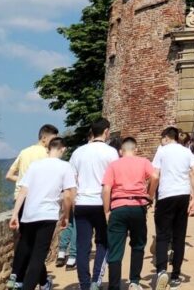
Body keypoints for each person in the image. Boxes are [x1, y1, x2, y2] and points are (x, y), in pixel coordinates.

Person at [8, 137, 77, 290]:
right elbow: (68, 196)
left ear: (48, 149)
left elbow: (23, 191)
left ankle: (26, 282)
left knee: (29, 250)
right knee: (38, 257)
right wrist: (66, 216)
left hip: (29, 214)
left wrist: (15, 214)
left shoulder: (35, 166)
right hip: (47, 215)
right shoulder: (65, 166)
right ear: (63, 149)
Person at [102, 137, 158, 290]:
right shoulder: (143, 162)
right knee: (138, 244)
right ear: (136, 149)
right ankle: (134, 281)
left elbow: (106, 189)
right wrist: (149, 196)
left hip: (118, 207)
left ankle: (114, 286)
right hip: (138, 206)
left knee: (115, 249)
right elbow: (155, 176)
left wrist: (106, 211)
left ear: (121, 151)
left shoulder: (113, 165)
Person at [69, 118, 118, 290]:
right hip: (102, 203)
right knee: (103, 242)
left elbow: (72, 182)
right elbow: (114, 181)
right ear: (106, 131)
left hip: (81, 203)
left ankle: (84, 284)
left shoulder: (78, 152)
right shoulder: (111, 153)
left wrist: (73, 205)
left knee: (82, 246)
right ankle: (96, 281)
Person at [152, 126, 194, 289]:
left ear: (166, 137)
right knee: (179, 236)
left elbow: (155, 175)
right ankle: (176, 275)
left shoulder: (162, 151)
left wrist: (149, 195)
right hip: (183, 195)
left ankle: (161, 271)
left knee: (162, 235)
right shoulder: (186, 151)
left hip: (166, 195)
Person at [6, 124, 59, 201]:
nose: (55, 142)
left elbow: (9, 176)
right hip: (37, 197)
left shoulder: (23, 152)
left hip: (19, 197)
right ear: (44, 138)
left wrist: (24, 180)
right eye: (53, 139)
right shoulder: (48, 154)